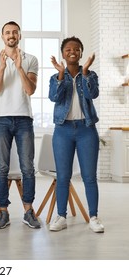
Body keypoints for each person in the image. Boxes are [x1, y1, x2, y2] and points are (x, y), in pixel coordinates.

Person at [0, 21, 41, 229]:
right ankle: (3, 211)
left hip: (24, 119)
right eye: (7, 33)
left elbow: (30, 90)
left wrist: (19, 68)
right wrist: (2, 67)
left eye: (14, 32)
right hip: (1, 119)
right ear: (2, 37)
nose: (11, 35)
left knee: (28, 167)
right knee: (2, 168)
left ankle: (28, 211)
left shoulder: (31, 60)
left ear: (19, 36)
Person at [48, 36, 104, 233]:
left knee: (89, 176)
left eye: (77, 49)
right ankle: (61, 216)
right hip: (62, 130)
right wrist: (61, 74)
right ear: (63, 53)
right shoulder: (56, 77)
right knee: (63, 176)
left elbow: (92, 95)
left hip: (86, 130)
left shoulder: (91, 74)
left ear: (81, 53)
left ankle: (94, 217)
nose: (72, 52)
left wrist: (86, 72)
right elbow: (54, 97)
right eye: (68, 49)